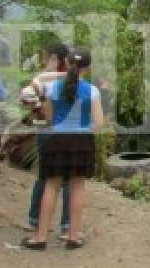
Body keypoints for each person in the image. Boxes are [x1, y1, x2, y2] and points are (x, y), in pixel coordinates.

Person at [22, 48, 103, 250]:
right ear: (88, 67)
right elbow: (99, 122)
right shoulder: (92, 91)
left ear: (65, 64)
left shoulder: (53, 88)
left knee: (51, 186)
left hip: (57, 139)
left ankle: (40, 237)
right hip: (82, 141)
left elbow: (47, 115)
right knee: (77, 187)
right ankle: (73, 237)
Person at [23, 42, 71, 234]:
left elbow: (26, 97)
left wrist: (38, 108)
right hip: (69, 133)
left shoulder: (42, 78)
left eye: (45, 57)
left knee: (45, 176)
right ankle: (67, 225)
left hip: (46, 130)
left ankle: (35, 219)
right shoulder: (74, 79)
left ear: (53, 59)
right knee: (68, 179)